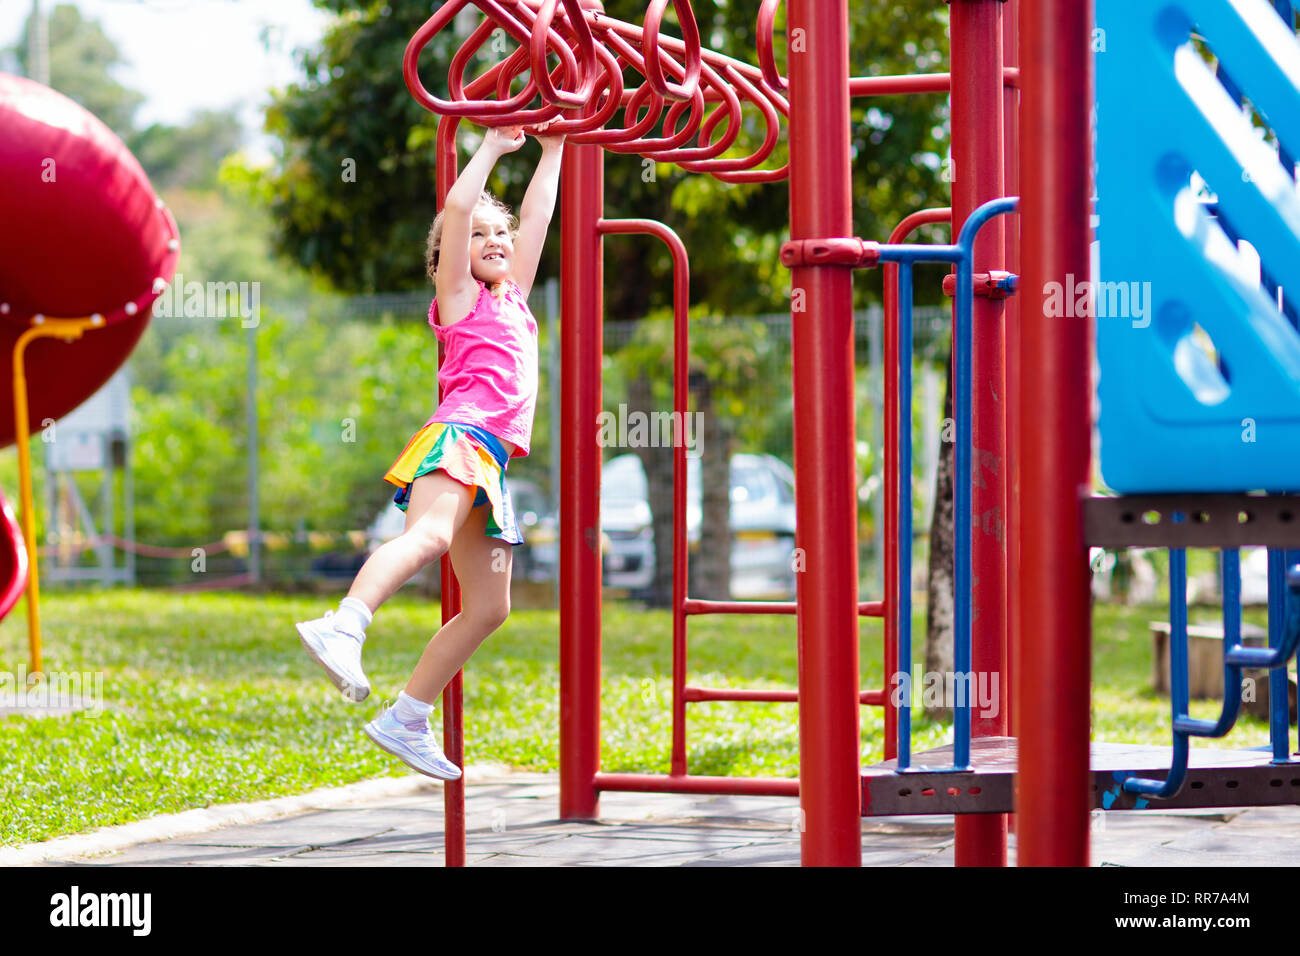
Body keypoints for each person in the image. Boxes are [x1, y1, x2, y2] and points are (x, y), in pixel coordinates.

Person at [296, 121, 564, 780]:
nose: (496, 240)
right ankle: (346, 623)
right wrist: (492, 150)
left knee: (491, 606)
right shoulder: (461, 299)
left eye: (500, 233)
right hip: (460, 437)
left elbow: (536, 214)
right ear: (452, 254)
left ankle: (407, 715)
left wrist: (554, 150)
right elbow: (454, 210)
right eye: (479, 236)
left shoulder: (516, 300)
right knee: (428, 540)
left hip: (491, 463)